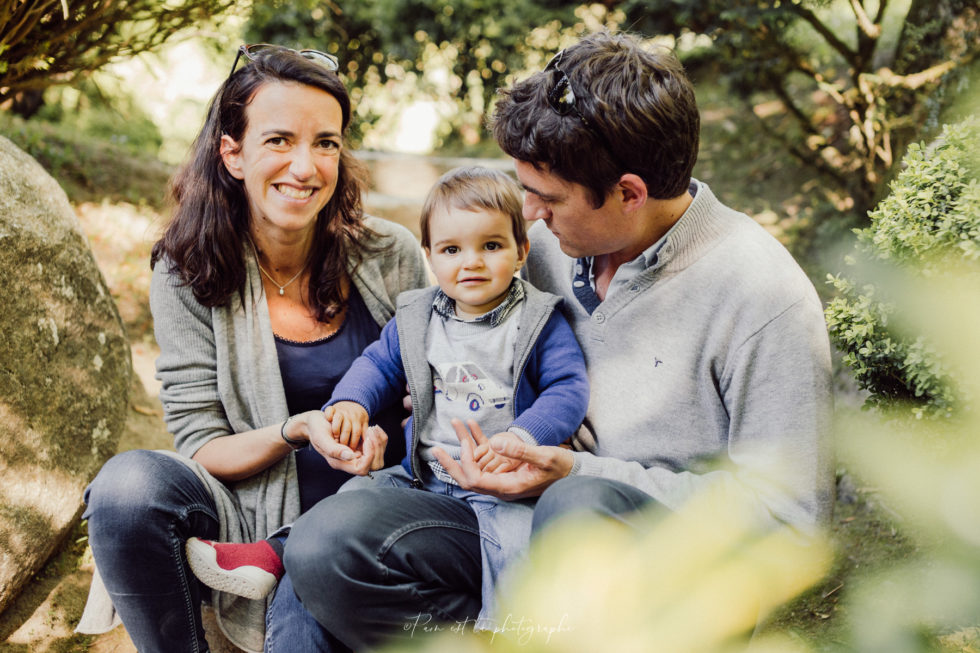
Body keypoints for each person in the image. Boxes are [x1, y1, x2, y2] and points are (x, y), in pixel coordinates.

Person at [282, 30, 835, 650]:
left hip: (661, 570)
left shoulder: (761, 296)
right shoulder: (539, 249)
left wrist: (573, 471)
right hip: (503, 526)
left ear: (629, 193)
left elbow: (788, 521)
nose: (530, 215)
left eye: (547, 199)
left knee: (579, 510)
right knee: (330, 544)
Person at [75, 44, 428, 653]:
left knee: (301, 619)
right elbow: (202, 445)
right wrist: (295, 430)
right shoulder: (187, 269)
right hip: (254, 514)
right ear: (232, 153)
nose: (305, 166)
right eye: (279, 140)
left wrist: (392, 435)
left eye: (326, 143)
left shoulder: (390, 254)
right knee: (125, 486)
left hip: (377, 511)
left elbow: (445, 380)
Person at [183, 165, 589, 628]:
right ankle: (273, 552)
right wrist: (350, 404)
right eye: (452, 249)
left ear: (521, 251)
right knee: (357, 492)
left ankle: (508, 630)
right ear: (430, 257)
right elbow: (378, 364)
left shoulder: (536, 320)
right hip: (425, 475)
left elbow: (567, 388)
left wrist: (524, 436)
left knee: (516, 545)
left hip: (506, 487)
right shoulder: (420, 319)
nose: (471, 262)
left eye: (491, 246)